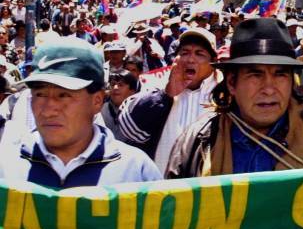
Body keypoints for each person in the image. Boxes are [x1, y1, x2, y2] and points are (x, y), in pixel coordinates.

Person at [165, 18, 303, 178]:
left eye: (280, 74)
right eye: (255, 74)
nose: (269, 89)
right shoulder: (198, 142)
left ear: (292, 81)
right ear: (232, 82)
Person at [0, 37, 161, 187]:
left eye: (64, 95)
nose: (48, 110)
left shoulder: (135, 171)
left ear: (97, 101)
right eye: (40, 94)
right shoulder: (6, 165)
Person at [119, 27, 221, 171]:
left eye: (199, 54)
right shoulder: (158, 83)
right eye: (184, 53)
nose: (190, 59)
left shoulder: (224, 93)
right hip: (163, 188)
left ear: (213, 61)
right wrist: (165, 95)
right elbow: (129, 129)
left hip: (209, 188)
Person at [101, 70, 139, 142]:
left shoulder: (137, 112)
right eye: (113, 84)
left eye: (120, 85)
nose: (115, 88)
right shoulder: (101, 110)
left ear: (132, 91)